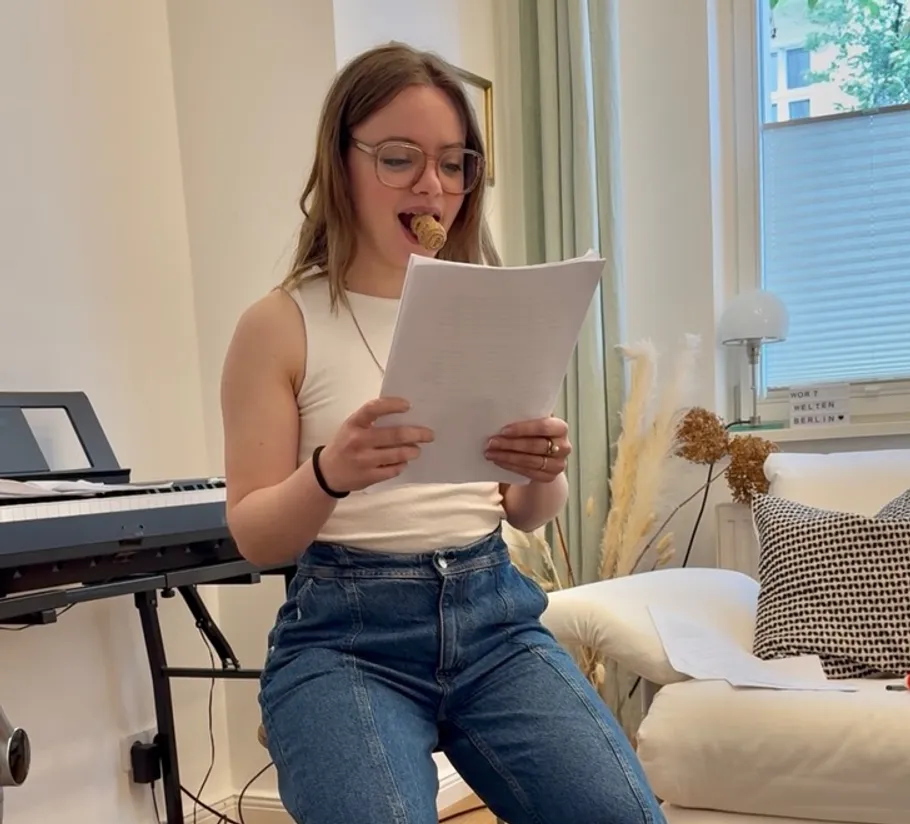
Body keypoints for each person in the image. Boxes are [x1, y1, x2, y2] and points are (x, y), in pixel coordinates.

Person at [220, 41, 665, 824]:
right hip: (344, 636)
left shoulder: (492, 307)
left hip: (492, 614)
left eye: (455, 163)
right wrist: (329, 472)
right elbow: (256, 538)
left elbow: (525, 510)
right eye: (399, 158)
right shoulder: (280, 324)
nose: (433, 185)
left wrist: (543, 465)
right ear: (341, 162)